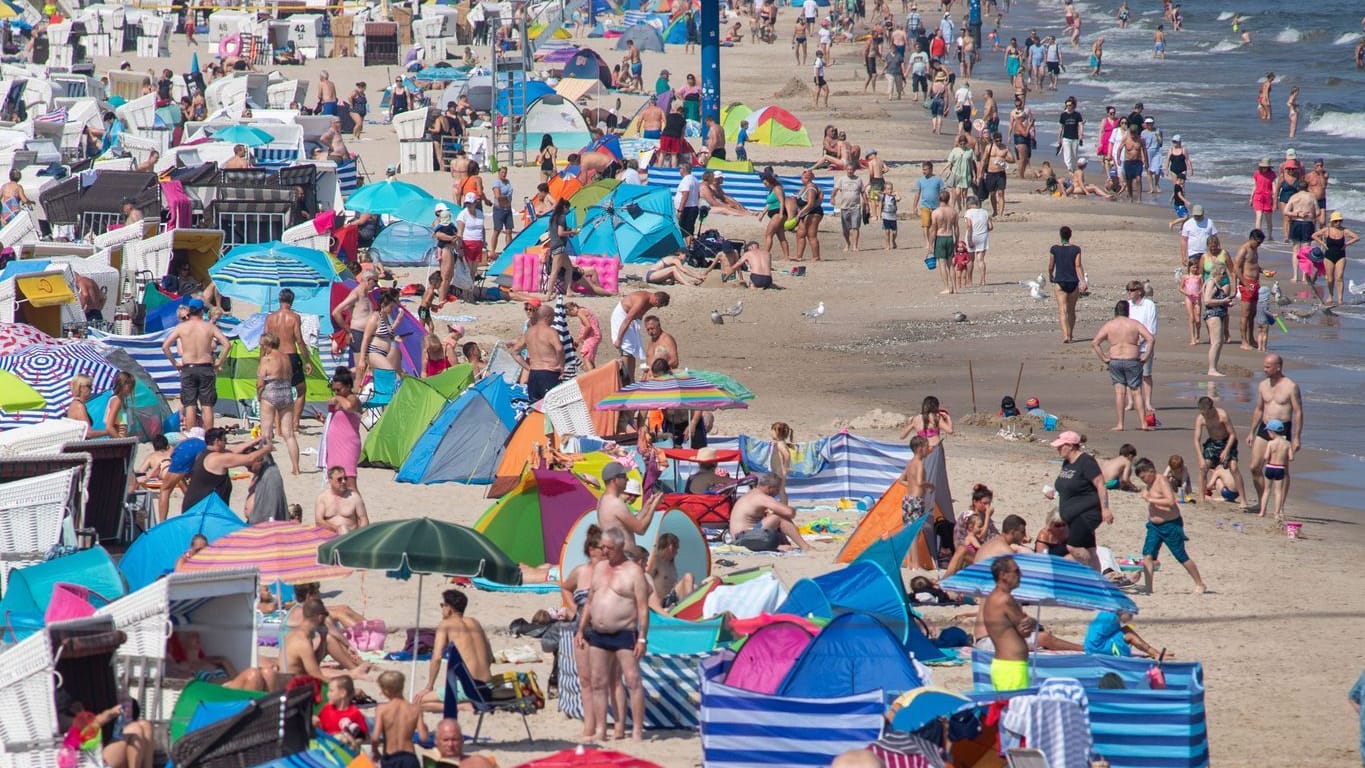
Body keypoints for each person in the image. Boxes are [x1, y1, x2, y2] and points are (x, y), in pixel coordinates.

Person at [576, 527, 650, 742]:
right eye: (602, 547)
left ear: (619, 547)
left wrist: (643, 637)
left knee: (632, 680)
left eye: (608, 548)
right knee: (598, 681)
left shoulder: (633, 572)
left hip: (625, 632)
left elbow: (643, 608)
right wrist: (581, 629)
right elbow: (590, 601)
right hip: (598, 633)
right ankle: (601, 729)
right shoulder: (599, 568)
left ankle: (636, 729)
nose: (604, 551)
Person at [1134, 458, 1206, 595]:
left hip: (1171, 525)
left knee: (1181, 556)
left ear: (1151, 471)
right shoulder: (1150, 483)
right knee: (1147, 555)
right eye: (1140, 478)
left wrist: (1150, 499)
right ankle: (1148, 588)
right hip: (1154, 526)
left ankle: (1200, 583)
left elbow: (1171, 501)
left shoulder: (1161, 480)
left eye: (1143, 477)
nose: (1143, 480)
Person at [416, 589, 493, 711]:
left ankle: (462, 706)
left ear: (449, 607)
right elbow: (489, 657)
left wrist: (429, 686)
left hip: (468, 688)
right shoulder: (475, 622)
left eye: (442, 605)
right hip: (488, 685)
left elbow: (436, 657)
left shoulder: (446, 624)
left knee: (418, 702)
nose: (441, 609)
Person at [161, 298, 230, 430]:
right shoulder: (209, 327)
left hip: (188, 368)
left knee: (190, 405)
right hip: (206, 367)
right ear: (201, 312)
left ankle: (192, 435)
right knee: (207, 405)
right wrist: (219, 362)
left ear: (190, 311)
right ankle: (209, 436)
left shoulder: (182, 327)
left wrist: (175, 363)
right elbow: (227, 344)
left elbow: (165, 346)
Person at [1248, 354, 1303, 510]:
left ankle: (1279, 507)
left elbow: (1298, 412)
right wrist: (1252, 431)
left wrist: (1297, 438)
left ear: (1278, 367)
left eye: (1268, 366)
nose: (1264, 369)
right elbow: (1259, 409)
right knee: (1254, 467)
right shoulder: (1263, 385)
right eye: (1264, 366)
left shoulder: (1290, 386)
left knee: (1282, 470)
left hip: (1282, 429)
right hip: (1265, 428)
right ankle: (1261, 502)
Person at [1051, 430, 1111, 570]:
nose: (1058, 449)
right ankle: (1098, 582)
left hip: (1087, 512)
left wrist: (1105, 509)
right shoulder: (1067, 463)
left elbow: (1100, 484)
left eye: (1060, 446)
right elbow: (1068, 486)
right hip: (1072, 514)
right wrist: (1054, 492)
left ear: (1070, 446)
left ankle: (1091, 570)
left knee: (1073, 547)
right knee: (1090, 549)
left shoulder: (1086, 461)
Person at [1091, 300, 1153, 432]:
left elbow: (1095, 342)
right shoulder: (1134, 324)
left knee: (1120, 392)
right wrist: (1146, 356)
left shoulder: (1110, 325)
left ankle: (1120, 424)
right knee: (1136, 392)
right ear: (1128, 311)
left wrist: (1104, 359)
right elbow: (1151, 338)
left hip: (1115, 360)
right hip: (1132, 360)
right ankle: (1143, 423)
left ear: (1115, 311)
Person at [182, 429, 273, 513]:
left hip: (199, 507)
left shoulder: (205, 453)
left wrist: (255, 441)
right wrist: (266, 449)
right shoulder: (217, 458)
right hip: (203, 510)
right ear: (217, 441)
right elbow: (250, 458)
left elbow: (233, 451)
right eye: (224, 440)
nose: (226, 442)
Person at [982, 557, 1034, 691]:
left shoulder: (992, 598)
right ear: (1003, 575)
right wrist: (1033, 622)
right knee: (1017, 710)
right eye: (1016, 571)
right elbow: (1025, 630)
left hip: (1003, 665)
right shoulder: (1005, 599)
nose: (1020, 575)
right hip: (1012, 667)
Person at [729, 473, 812, 551]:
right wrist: (790, 505)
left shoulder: (751, 494)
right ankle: (805, 546)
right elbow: (789, 512)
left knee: (772, 516)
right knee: (779, 516)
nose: (777, 493)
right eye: (777, 490)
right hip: (745, 538)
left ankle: (781, 545)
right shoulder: (762, 497)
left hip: (742, 537)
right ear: (770, 488)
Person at [255, 332, 300, 476]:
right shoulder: (286, 357)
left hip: (271, 391)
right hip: (286, 392)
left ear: (267, 344)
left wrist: (258, 394)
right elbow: (290, 375)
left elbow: (260, 381)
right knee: (289, 434)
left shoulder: (266, 359)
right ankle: (296, 467)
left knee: (266, 433)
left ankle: (265, 465)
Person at [594, 462, 663, 548]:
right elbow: (641, 529)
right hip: (623, 556)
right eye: (623, 476)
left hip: (619, 554)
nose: (627, 479)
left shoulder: (603, 499)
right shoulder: (615, 503)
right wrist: (654, 507)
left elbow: (632, 523)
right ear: (614, 480)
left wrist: (648, 505)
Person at [1193, 396, 1245, 503]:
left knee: (1234, 467)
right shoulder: (1201, 418)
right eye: (1201, 411)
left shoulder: (1222, 415)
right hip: (1213, 443)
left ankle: (1243, 500)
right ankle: (1202, 497)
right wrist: (1200, 457)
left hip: (1227, 441)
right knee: (1203, 468)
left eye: (1206, 412)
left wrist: (1226, 450)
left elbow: (1232, 435)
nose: (1204, 414)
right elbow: (1196, 440)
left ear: (1211, 408)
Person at [372, 670, 427, 768]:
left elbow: (375, 737)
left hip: (391, 757)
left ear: (386, 690)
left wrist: (375, 751)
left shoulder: (382, 709)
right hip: (409, 757)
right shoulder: (415, 709)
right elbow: (423, 738)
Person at [611, 290, 670, 382]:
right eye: (659, 305)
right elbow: (628, 319)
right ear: (657, 300)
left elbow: (639, 314)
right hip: (622, 317)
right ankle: (626, 379)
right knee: (626, 347)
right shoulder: (642, 299)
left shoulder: (650, 300)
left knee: (633, 349)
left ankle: (631, 379)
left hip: (631, 320)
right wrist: (619, 338)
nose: (658, 308)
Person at [509, 305, 563, 402]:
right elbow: (559, 349)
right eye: (553, 317)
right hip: (549, 373)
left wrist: (528, 368)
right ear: (548, 316)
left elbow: (514, 351)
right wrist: (560, 365)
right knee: (553, 407)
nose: (554, 320)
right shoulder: (551, 331)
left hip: (533, 374)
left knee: (535, 408)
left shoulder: (529, 332)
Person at [320, 368, 362, 489]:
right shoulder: (340, 401)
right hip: (334, 446)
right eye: (334, 390)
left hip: (348, 445)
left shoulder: (352, 399)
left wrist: (338, 398)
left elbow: (349, 408)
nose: (336, 393)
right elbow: (338, 421)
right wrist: (324, 419)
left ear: (348, 386)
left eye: (339, 390)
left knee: (349, 482)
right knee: (335, 482)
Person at [1311, 211, 1359, 307]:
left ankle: (1340, 298)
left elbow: (1356, 237)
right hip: (1329, 257)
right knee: (1330, 278)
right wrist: (1322, 243)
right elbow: (1314, 235)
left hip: (1341, 256)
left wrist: (1346, 244)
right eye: (1336, 221)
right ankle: (1331, 296)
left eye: (1339, 221)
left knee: (1340, 277)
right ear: (1332, 221)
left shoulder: (1344, 230)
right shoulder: (1327, 230)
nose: (1338, 223)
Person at [1047, 226, 1085, 343]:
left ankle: (1065, 336)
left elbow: (1051, 265)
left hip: (1060, 282)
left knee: (1062, 310)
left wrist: (1050, 275)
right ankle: (1071, 333)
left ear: (1060, 235)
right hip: (1073, 282)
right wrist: (1083, 281)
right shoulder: (1076, 249)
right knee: (1072, 310)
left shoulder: (1054, 249)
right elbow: (1078, 265)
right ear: (1070, 235)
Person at [1126, 279, 1158, 414]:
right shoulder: (1127, 305)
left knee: (1146, 375)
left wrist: (1142, 339)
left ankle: (1147, 402)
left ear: (1139, 291)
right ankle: (1131, 402)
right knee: (1130, 375)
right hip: (1130, 344)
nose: (1129, 293)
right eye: (1127, 290)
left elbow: (1151, 326)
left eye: (1131, 290)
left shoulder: (1149, 304)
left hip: (1146, 345)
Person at [333, 271, 379, 358]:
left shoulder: (366, 295)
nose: (376, 284)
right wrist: (347, 330)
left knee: (369, 366)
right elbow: (336, 312)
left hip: (368, 334)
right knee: (360, 367)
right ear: (369, 280)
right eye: (375, 281)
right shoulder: (356, 294)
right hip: (358, 334)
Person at [316, 675, 368, 747]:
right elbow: (319, 729)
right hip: (327, 747)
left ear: (342, 693)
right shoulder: (326, 709)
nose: (328, 694)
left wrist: (354, 743)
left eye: (331, 691)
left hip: (346, 752)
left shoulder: (354, 713)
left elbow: (363, 736)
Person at [648, 532, 696, 611]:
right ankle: (690, 609)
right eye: (676, 549)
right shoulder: (656, 561)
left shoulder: (671, 563)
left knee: (695, 586)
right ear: (670, 547)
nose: (677, 553)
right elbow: (646, 583)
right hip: (660, 603)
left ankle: (691, 607)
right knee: (688, 576)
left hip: (671, 599)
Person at [1202, 263, 1234, 377]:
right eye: (1224, 273)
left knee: (1218, 342)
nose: (1225, 276)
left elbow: (1215, 299)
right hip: (1213, 314)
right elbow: (1207, 300)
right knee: (1216, 342)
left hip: (1218, 313)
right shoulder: (1211, 282)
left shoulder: (1215, 283)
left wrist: (1227, 303)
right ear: (1219, 272)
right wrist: (1223, 301)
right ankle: (1212, 369)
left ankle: (1214, 367)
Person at [315, 466, 369, 534]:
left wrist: (358, 535)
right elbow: (319, 521)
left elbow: (363, 520)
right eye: (339, 479)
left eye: (345, 478)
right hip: (329, 534)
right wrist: (337, 529)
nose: (343, 481)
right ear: (330, 480)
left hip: (349, 535)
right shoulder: (323, 498)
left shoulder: (354, 497)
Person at [1258, 419, 1293, 522]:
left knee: (1266, 490)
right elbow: (1290, 458)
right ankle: (1277, 513)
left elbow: (1265, 456)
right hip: (1280, 468)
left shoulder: (1270, 443)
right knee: (1278, 492)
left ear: (1271, 431)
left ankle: (1262, 512)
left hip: (1270, 467)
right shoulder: (1287, 444)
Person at [928, 191, 959, 295]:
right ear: (948, 199)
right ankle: (954, 287)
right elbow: (956, 228)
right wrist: (957, 241)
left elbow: (933, 230)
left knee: (942, 263)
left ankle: (946, 287)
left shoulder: (936, 212)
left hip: (941, 237)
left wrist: (930, 244)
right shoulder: (953, 212)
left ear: (939, 199)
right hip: (950, 237)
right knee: (951, 264)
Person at [832, 166, 867, 252]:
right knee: (845, 229)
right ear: (846, 170)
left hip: (856, 207)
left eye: (852, 169)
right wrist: (832, 198)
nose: (850, 171)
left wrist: (866, 203)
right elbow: (835, 189)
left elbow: (863, 192)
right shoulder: (842, 179)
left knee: (855, 227)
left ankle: (855, 245)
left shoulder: (858, 179)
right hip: (844, 207)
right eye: (848, 170)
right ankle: (847, 243)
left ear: (854, 170)